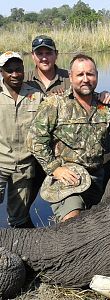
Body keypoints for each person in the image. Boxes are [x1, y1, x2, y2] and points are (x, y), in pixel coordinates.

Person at [27, 53, 110, 222]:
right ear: (70, 76)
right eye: (80, 74)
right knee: (72, 221)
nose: (85, 79)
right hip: (68, 179)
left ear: (96, 75)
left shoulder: (105, 106)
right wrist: (55, 168)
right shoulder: (55, 104)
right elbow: (34, 140)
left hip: (97, 177)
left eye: (90, 74)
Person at [0, 51, 44, 228]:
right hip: (1, 162)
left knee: (18, 218)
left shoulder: (36, 96)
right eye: (9, 70)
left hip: (25, 166)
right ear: (1, 72)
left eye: (18, 69)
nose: (15, 74)